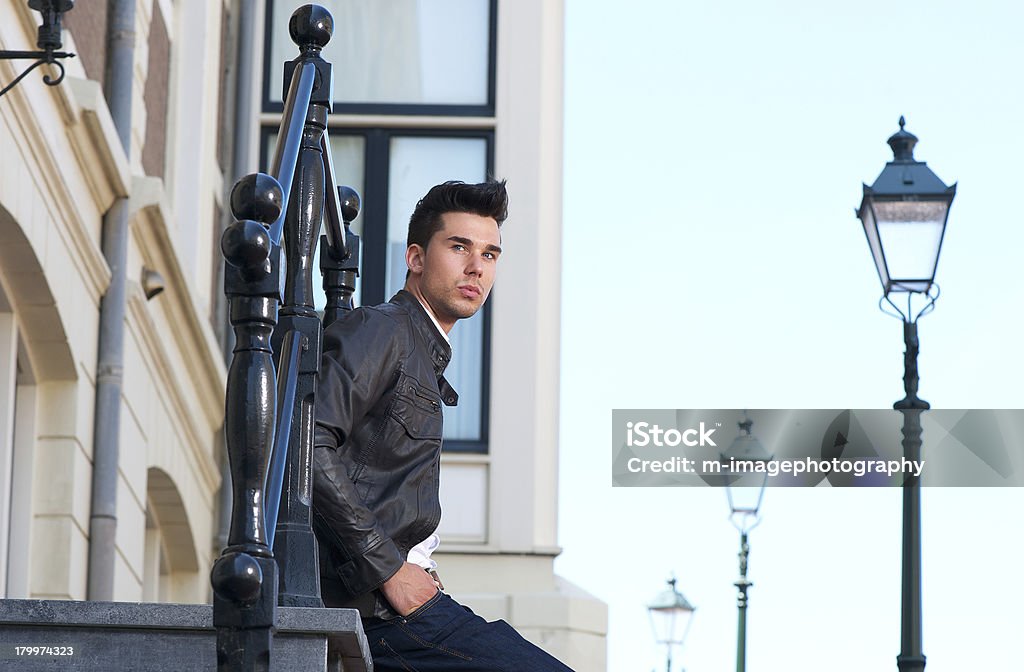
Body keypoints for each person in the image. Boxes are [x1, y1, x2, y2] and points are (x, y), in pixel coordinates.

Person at [313, 180, 574, 671]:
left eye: (490, 254)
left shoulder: (423, 355)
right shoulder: (383, 329)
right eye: (459, 247)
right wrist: (388, 568)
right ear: (415, 257)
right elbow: (308, 442)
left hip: (400, 603)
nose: (477, 266)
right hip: (381, 610)